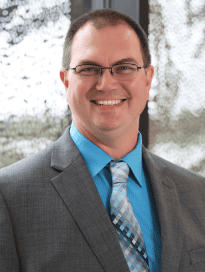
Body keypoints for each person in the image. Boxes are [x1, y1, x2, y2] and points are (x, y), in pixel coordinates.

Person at [0, 8, 205, 272]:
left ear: (148, 79)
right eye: (89, 68)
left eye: (124, 67)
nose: (106, 83)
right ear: (66, 82)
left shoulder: (198, 195)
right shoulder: (9, 196)